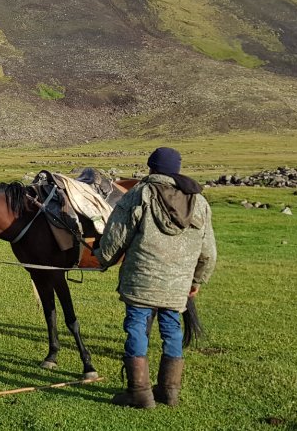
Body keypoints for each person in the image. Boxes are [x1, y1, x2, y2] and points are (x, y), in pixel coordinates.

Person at [94, 147, 217, 408]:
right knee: (172, 329)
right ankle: (169, 391)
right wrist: (196, 282)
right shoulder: (199, 203)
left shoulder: (141, 194)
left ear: (151, 167)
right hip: (177, 284)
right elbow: (208, 252)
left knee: (137, 327)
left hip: (142, 279)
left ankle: (139, 392)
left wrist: (103, 258)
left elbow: (117, 235)